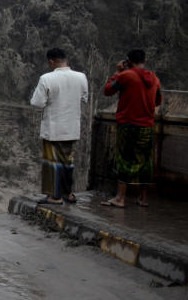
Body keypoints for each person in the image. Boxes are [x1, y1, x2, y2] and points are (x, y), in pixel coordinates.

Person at [101, 49, 162, 208]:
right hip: (147, 126)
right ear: (145, 60)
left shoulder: (126, 76)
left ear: (128, 61)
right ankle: (143, 198)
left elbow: (108, 90)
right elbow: (158, 101)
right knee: (145, 161)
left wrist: (117, 72)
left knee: (124, 158)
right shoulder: (154, 79)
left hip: (127, 124)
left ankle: (120, 198)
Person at [30, 47, 89, 205]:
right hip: (72, 127)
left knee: (53, 163)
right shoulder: (81, 77)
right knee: (67, 162)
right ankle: (68, 193)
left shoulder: (46, 78)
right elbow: (84, 98)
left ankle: (54, 196)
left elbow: (37, 103)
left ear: (51, 61)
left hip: (54, 127)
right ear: (65, 59)